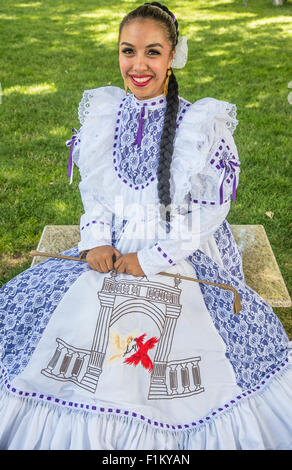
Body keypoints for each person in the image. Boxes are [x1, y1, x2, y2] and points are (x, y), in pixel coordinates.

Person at [0, 2, 291, 451]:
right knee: (75, 318)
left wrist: (152, 257)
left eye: (152, 52)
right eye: (127, 51)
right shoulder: (103, 113)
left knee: (171, 339)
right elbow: (95, 192)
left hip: (179, 250)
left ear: (173, 55)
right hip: (114, 247)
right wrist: (96, 239)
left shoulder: (200, 123)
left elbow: (209, 212)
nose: (138, 65)